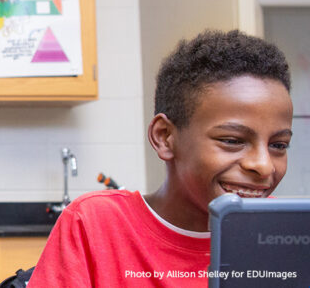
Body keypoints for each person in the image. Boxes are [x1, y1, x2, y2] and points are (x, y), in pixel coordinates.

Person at [30, 29, 294, 287]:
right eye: (232, 141)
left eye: (279, 145)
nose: (263, 165)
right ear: (165, 136)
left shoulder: (286, 236)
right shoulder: (94, 225)